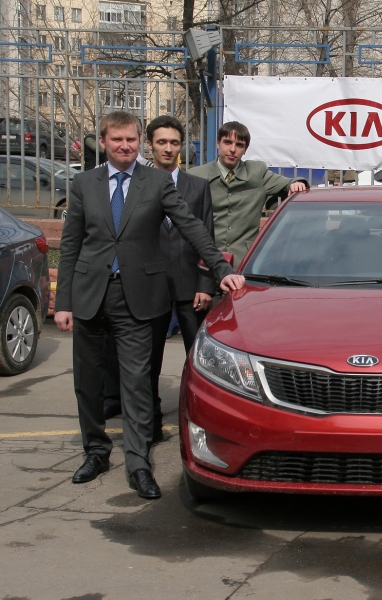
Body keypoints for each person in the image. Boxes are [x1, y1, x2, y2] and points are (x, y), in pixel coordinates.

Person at [55, 111, 245, 500]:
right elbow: (71, 245)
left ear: (140, 141)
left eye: (131, 139)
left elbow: (192, 226)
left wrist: (221, 268)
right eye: (117, 139)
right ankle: (96, 452)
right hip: (91, 295)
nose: (125, 146)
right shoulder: (84, 184)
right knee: (88, 383)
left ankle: (138, 463)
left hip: (138, 298)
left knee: (138, 383)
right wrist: (64, 302)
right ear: (103, 142)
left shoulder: (156, 182)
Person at [144, 115, 217, 443]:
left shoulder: (198, 187)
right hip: (151, 286)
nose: (168, 148)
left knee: (199, 361)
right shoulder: (139, 185)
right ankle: (150, 424)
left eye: (174, 142)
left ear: (182, 146)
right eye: (161, 142)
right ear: (150, 145)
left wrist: (205, 285)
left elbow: (206, 237)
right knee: (149, 362)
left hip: (191, 287)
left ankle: (200, 422)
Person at [189, 121, 307, 267]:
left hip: (245, 263)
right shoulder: (196, 175)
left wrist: (296, 183)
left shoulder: (257, 173)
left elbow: (287, 183)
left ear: (245, 150)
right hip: (205, 262)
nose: (233, 149)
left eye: (239, 145)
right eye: (227, 142)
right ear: (218, 143)